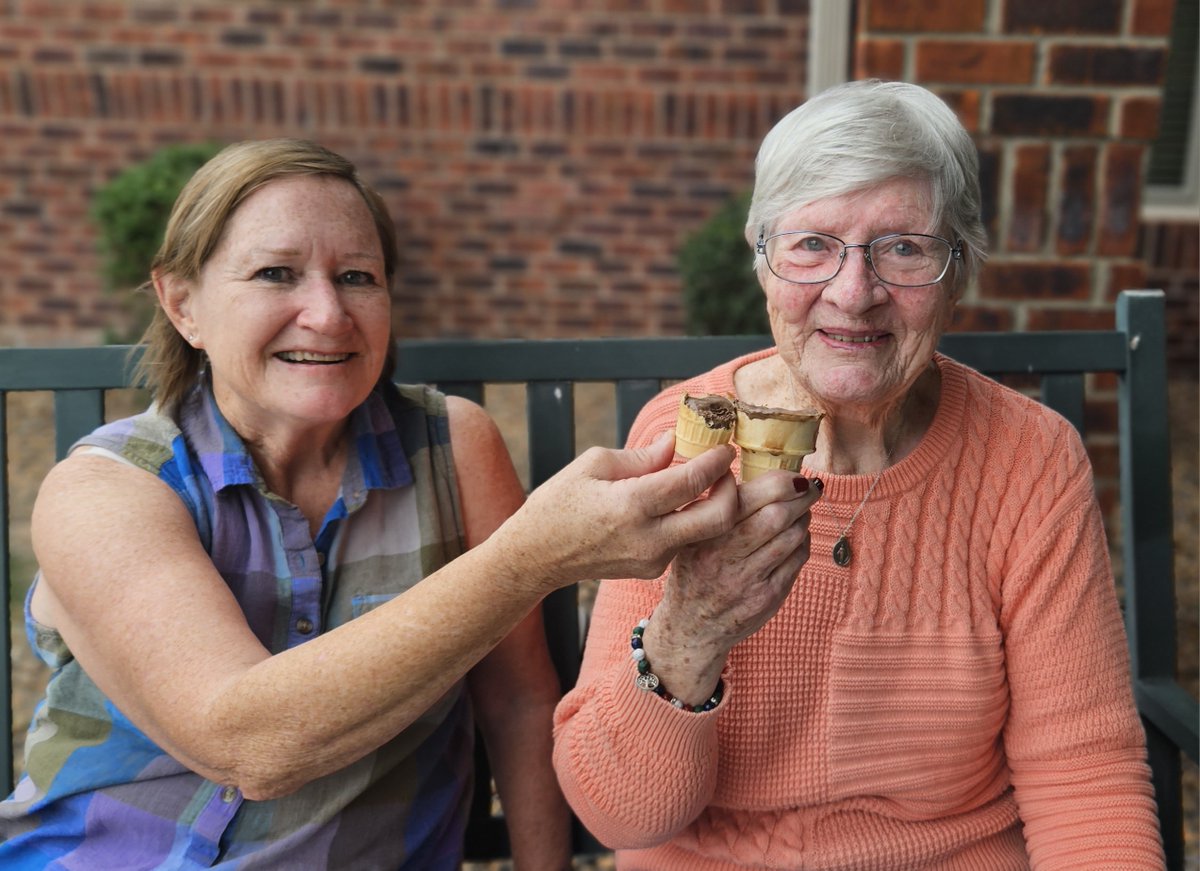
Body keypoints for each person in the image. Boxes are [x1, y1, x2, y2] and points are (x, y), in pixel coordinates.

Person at [0, 138, 746, 870]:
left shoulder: (452, 450)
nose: (327, 313)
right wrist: (534, 557)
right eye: (275, 273)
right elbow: (245, 742)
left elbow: (517, 705)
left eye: (357, 275)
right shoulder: (107, 489)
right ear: (182, 303)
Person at [552, 80, 1166, 870]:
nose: (853, 293)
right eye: (812, 244)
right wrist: (689, 629)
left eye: (904, 247)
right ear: (763, 259)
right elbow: (619, 812)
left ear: (960, 271)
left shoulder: (1029, 461)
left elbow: (1084, 776)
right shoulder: (689, 440)